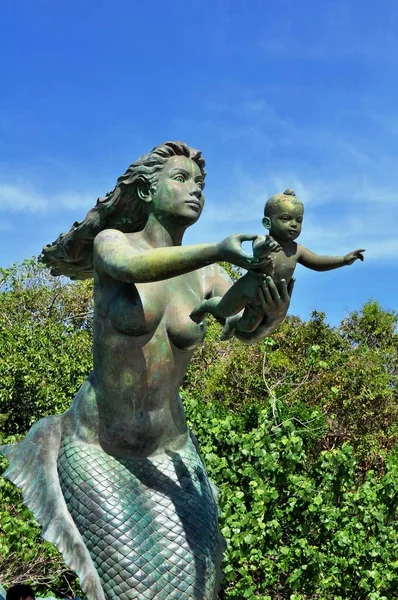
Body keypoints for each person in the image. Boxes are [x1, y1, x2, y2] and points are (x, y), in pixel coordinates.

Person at [1, 142, 293, 600]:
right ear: (145, 192)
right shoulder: (112, 244)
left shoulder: (208, 277)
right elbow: (134, 267)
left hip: (171, 448)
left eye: (200, 183)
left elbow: (242, 328)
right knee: (136, 588)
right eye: (180, 179)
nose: (194, 189)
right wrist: (216, 249)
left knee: (198, 587)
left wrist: (270, 312)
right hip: (99, 445)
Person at [190, 188, 365, 339]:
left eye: (299, 220)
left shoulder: (298, 250)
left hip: (265, 300)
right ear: (268, 222)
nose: (294, 225)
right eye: (286, 218)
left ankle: (232, 324)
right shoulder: (262, 240)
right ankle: (206, 306)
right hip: (247, 289)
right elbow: (258, 251)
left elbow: (317, 262)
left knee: (249, 326)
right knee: (223, 310)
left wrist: (343, 260)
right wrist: (266, 247)